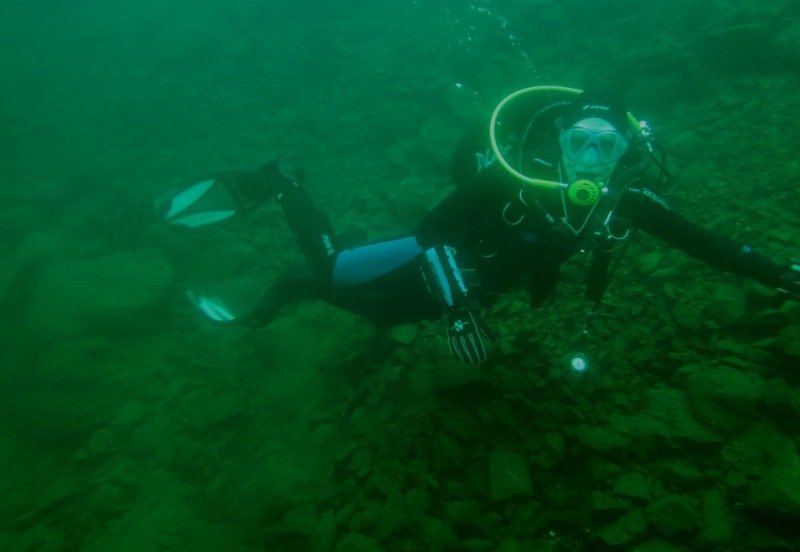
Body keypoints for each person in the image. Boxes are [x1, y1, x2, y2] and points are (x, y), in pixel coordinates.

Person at [156, 86, 800, 365]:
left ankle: (307, 284)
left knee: (380, 316)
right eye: (579, 141)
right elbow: (433, 230)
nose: (590, 158)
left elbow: (706, 244)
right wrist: (460, 310)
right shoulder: (512, 177)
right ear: (559, 139)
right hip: (444, 264)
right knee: (331, 273)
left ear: (626, 151)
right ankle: (283, 183)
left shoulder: (627, 201)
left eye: (606, 146)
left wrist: (783, 274)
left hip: (479, 282)